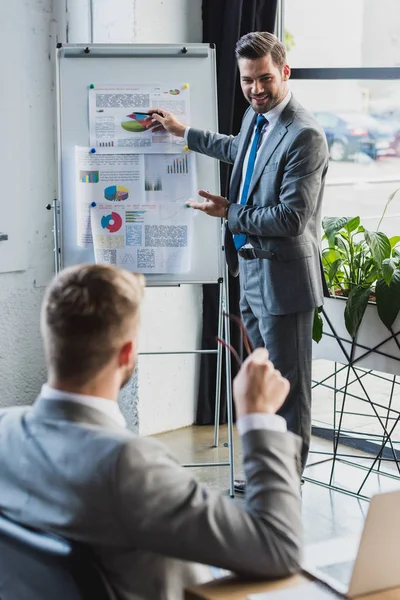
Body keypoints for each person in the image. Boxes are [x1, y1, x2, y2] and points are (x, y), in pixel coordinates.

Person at [0, 263, 302, 600]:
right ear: (128, 353)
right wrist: (258, 417)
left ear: (50, 341)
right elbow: (278, 548)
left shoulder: (4, 430)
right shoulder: (127, 465)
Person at [146, 31, 329, 477]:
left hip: (284, 283)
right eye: (248, 81)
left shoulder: (305, 135)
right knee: (260, 388)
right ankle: (265, 474)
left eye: (265, 78)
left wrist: (229, 212)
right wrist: (182, 132)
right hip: (250, 275)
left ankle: (286, 488)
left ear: (285, 71)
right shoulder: (256, 116)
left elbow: (290, 219)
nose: (256, 89)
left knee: (289, 394)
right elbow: (237, 150)